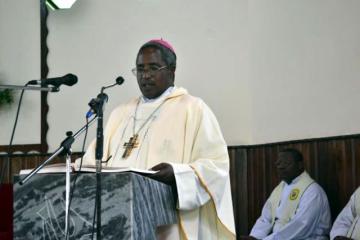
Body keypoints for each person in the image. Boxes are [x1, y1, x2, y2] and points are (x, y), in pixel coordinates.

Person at [79, 39, 236, 239]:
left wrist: (178, 174)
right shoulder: (120, 113)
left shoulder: (193, 109)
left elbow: (217, 166)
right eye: (140, 69)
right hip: (118, 219)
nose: (145, 75)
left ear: (172, 70)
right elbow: (92, 161)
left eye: (153, 68)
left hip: (166, 222)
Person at [241, 148, 331, 240]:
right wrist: (255, 236)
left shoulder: (312, 191)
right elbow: (266, 218)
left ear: (300, 165)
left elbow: (301, 226)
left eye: (285, 164)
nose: (280, 167)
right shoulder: (280, 188)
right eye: (278, 164)